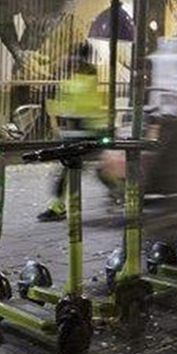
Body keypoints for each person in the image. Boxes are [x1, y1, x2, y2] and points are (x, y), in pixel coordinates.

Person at [38, 44, 109, 221]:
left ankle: (123, 192)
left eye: (75, 57)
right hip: (80, 130)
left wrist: (62, 72)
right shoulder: (78, 75)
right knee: (71, 169)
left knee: (77, 169)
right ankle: (57, 206)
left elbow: (76, 96)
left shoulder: (86, 75)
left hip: (89, 130)